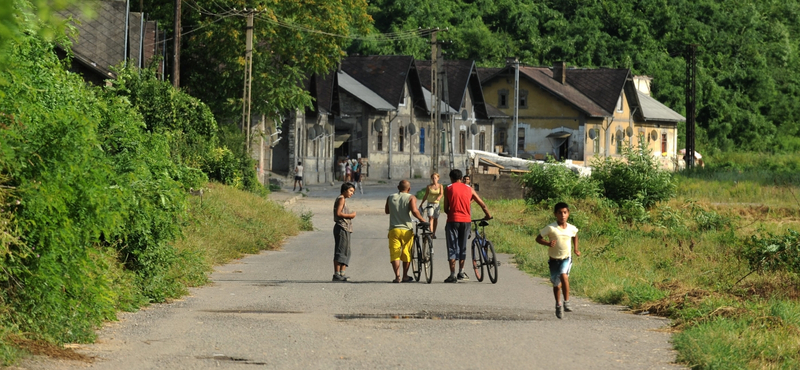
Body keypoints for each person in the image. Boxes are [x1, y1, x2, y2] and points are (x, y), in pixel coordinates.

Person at [443, 169, 491, 283]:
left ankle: (452, 274)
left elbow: (445, 209)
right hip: (466, 221)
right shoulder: (469, 189)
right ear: (461, 178)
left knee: (452, 246)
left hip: (453, 220)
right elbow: (482, 203)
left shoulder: (448, 188)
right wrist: (488, 215)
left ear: (451, 178)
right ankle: (461, 271)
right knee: (462, 245)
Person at [535, 202, 581, 319]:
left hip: (566, 258)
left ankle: (567, 302)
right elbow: (538, 238)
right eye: (560, 213)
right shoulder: (551, 228)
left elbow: (575, 235)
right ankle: (558, 304)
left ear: (568, 214)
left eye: (565, 212)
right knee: (556, 285)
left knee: (564, 276)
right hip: (554, 260)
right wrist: (548, 243)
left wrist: (576, 249)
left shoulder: (571, 228)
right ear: (555, 214)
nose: (562, 215)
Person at [384, 180, 427, 283]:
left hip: (394, 230)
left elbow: (387, 211)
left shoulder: (390, 197)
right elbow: (414, 211)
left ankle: (397, 276)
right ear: (409, 189)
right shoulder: (411, 197)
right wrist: (422, 220)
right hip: (406, 230)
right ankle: (405, 276)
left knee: (395, 253)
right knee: (406, 252)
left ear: (398, 187)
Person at [333, 183, 357, 281]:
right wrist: (350, 216)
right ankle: (337, 274)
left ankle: (342, 274)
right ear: (345, 190)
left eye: (353, 192)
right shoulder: (341, 199)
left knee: (346, 251)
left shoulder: (343, 199)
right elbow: (338, 213)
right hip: (341, 227)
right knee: (340, 250)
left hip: (346, 228)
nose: (352, 193)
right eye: (350, 191)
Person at [421, 173, 444, 239]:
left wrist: (439, 197)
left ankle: (434, 233)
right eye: (433, 178)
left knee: (436, 218)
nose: (434, 179)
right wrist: (422, 203)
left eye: (435, 178)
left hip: (436, 204)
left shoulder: (440, 186)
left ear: (438, 178)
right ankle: (431, 232)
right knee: (431, 217)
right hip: (430, 203)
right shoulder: (429, 186)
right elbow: (426, 195)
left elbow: (441, 193)